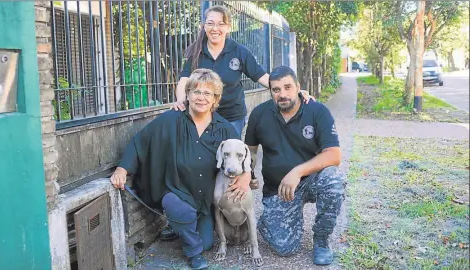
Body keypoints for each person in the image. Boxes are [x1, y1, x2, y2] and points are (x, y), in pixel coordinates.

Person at [110, 69, 251, 270]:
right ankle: (193, 254)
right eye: (196, 91)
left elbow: (241, 154)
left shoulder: (225, 128)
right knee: (180, 212)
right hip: (176, 190)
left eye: (207, 93)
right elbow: (141, 141)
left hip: (205, 199)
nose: (201, 97)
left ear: (215, 99)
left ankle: (181, 228)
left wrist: (246, 175)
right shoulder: (171, 120)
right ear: (188, 94)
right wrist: (122, 169)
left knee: (207, 243)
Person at [244, 66, 345, 265]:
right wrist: (249, 175)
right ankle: (271, 220)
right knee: (285, 248)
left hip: (311, 181)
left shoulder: (317, 111)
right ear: (270, 91)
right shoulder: (259, 114)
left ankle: (322, 239)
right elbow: (251, 151)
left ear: (298, 87)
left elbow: (334, 155)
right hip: (279, 189)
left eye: (288, 87)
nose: (283, 94)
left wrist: (297, 172)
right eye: (276, 89)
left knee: (334, 179)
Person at [171, 5, 311, 138]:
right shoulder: (196, 51)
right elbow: (184, 80)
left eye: (221, 24)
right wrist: (180, 101)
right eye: (210, 23)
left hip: (232, 117)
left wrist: (292, 92)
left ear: (228, 27)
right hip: (201, 115)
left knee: (230, 158)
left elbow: (262, 77)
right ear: (204, 26)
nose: (215, 28)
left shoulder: (239, 51)